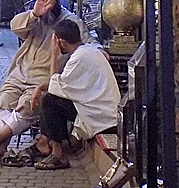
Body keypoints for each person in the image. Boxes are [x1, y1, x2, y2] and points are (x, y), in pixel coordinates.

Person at [0, 0, 85, 159]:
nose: (45, 2)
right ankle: (2, 145)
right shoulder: (33, 17)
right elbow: (15, 27)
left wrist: (99, 50)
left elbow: (85, 42)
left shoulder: (70, 21)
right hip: (20, 73)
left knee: (28, 105)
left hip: (43, 77)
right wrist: (35, 13)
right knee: (5, 98)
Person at [33, 18, 121, 170]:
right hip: (100, 111)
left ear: (61, 41)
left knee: (48, 100)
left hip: (100, 116)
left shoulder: (79, 58)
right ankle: (49, 143)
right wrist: (40, 87)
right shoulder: (87, 51)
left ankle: (57, 152)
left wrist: (54, 54)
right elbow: (61, 83)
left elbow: (55, 87)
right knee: (48, 97)